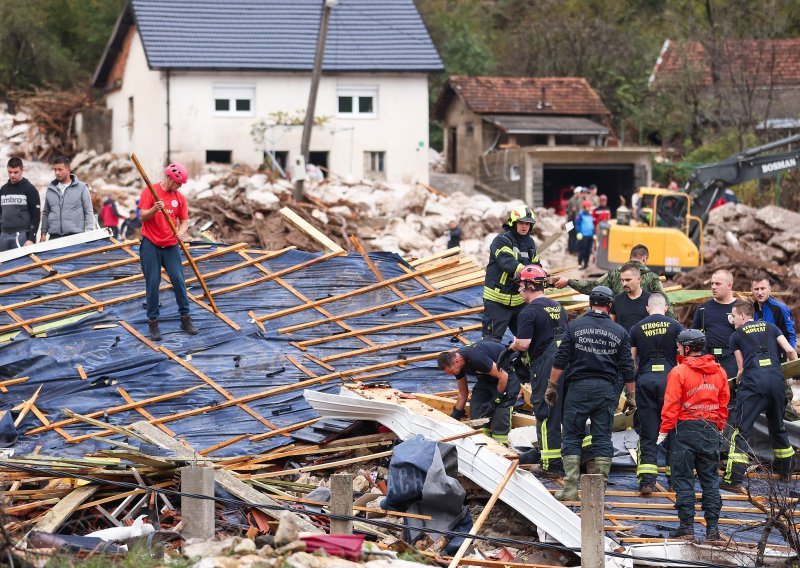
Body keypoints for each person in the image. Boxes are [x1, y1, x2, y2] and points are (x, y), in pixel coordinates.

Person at [545, 286, 636, 500]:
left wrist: (552, 386)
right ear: (609, 305)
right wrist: (631, 396)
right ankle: (598, 492)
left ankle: (569, 490)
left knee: (572, 436)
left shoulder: (575, 326)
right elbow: (627, 367)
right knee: (602, 437)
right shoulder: (619, 332)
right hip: (606, 391)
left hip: (578, 389)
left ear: (589, 303)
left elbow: (561, 359)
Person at [659, 329, 729, 542]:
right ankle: (713, 531)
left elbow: (671, 404)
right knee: (710, 481)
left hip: (685, 430)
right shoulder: (719, 372)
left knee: (683, 479)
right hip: (709, 429)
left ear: (686, 348)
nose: (678, 349)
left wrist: (664, 430)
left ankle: (687, 528)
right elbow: (723, 404)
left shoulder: (679, 372)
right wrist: (717, 426)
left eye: (679, 346)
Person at [721, 300, 798, 491]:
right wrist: (793, 373)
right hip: (776, 383)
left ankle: (733, 479)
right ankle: (787, 471)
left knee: (741, 430)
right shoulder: (772, 327)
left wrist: (737, 384)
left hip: (754, 384)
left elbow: (741, 368)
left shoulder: (736, 336)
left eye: (733, 315)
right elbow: (789, 350)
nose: (732, 320)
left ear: (743, 316)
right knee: (777, 426)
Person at [509, 265, 568, 477]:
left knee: (545, 411)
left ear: (529, 285)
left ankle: (550, 463)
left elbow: (524, 344)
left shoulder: (529, 312)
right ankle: (571, 457)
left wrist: (512, 345)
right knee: (563, 411)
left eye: (520, 286)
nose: (519, 290)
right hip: (566, 363)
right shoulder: (558, 306)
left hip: (545, 365)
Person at [629, 293, 683, 494]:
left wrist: (633, 386)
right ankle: (674, 482)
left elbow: (631, 361)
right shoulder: (676, 326)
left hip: (646, 381)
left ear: (647, 309)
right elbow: (683, 355)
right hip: (670, 382)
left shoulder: (636, 328)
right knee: (673, 430)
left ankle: (647, 482)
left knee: (648, 431)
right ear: (666, 308)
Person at [139, 162, 197, 341]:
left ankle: (185, 318)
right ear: (170, 178)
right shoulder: (150, 191)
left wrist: (182, 231)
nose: (179, 187)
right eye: (178, 183)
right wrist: (154, 209)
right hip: (151, 243)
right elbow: (142, 215)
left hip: (171, 244)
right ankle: (153, 321)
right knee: (153, 282)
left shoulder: (179, 198)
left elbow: (185, 220)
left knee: (179, 280)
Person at [552, 244, 675, 319]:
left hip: (618, 323)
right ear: (645, 259)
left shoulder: (615, 273)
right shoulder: (652, 277)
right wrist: (673, 324)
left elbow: (592, 287)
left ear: (630, 257)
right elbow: (664, 302)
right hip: (643, 327)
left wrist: (569, 281)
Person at [437, 340, 520, 445]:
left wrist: (496, 399)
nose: (450, 375)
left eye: (451, 371)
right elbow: (463, 393)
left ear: (456, 361)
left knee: (500, 411)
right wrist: (456, 414)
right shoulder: (458, 365)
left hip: (507, 372)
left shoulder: (475, 357)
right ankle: (483, 442)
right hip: (488, 376)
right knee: (477, 405)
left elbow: (503, 376)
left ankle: (501, 446)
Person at [482, 204, 540, 342]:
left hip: (519, 301)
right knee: (491, 341)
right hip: (497, 301)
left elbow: (536, 264)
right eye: (521, 223)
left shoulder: (530, 242)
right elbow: (507, 263)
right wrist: (529, 272)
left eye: (527, 223)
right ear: (513, 223)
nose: (524, 226)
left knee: (528, 339)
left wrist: (543, 277)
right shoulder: (502, 240)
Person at [691, 269, 737, 383]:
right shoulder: (703, 308)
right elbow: (694, 337)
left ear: (729, 286)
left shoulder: (741, 307)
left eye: (718, 284)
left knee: (731, 396)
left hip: (732, 360)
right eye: (712, 283)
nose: (713, 287)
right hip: (708, 360)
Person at [41, 156, 94, 240]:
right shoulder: (51, 188)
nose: (57, 173)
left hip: (75, 237)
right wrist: (43, 233)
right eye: (55, 170)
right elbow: (46, 213)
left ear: (68, 170)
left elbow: (88, 211)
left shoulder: (82, 187)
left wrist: (89, 232)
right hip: (54, 237)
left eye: (60, 169)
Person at [0, 157, 40, 251]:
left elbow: (36, 216)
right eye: (10, 172)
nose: (12, 175)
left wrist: (31, 238)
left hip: (22, 235)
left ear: (22, 170)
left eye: (15, 172)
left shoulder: (30, 189)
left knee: (21, 265)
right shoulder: (3, 189)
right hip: (3, 235)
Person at [751, 273, 796, 350]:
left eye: (763, 288)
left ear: (769, 289)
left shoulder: (780, 308)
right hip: (760, 357)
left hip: (779, 357)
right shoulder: (751, 309)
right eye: (756, 289)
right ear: (751, 290)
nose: (760, 293)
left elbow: (790, 335)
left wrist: (791, 358)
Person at [611, 263, 651, 331]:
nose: (624, 284)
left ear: (639, 279)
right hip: (622, 341)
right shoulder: (616, 300)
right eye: (622, 280)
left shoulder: (650, 299)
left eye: (628, 280)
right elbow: (611, 326)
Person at [575, 200, 594, 269]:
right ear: (584, 207)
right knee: (582, 251)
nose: (589, 208)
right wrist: (578, 232)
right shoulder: (580, 214)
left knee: (588, 251)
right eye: (588, 207)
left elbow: (591, 224)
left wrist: (593, 233)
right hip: (584, 235)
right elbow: (577, 224)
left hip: (590, 235)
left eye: (589, 206)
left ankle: (586, 264)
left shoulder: (590, 215)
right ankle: (579, 264)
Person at [566, 187, 585, 253]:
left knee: (575, 235)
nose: (578, 194)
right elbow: (570, 211)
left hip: (574, 219)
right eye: (577, 193)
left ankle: (574, 249)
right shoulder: (572, 200)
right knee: (571, 235)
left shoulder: (579, 200)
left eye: (579, 193)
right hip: (570, 219)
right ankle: (571, 249)